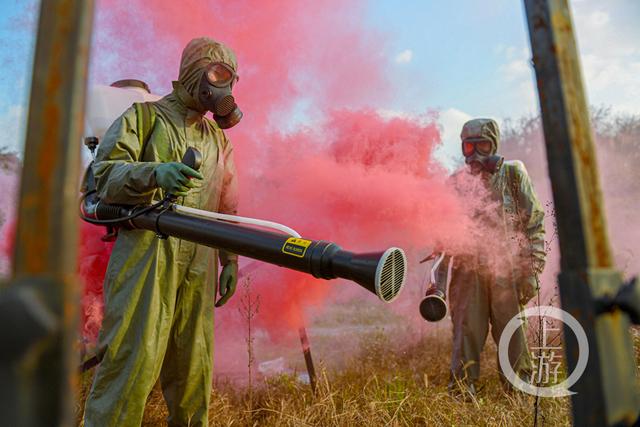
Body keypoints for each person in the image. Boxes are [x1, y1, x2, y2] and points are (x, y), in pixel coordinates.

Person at [84, 37, 241, 426]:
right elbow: (104, 176)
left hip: (200, 259)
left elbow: (227, 201)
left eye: (230, 78)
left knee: (193, 369)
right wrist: (156, 172)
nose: (223, 88)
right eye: (216, 74)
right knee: (131, 360)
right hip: (146, 255)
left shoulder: (218, 139)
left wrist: (230, 258)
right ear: (192, 72)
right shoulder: (142, 118)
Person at [433, 118, 546, 397]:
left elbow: (534, 224)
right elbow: (441, 240)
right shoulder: (455, 183)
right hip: (466, 270)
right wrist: (437, 285)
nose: (476, 154)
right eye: (469, 147)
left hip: (506, 269)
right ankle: (462, 393)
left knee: (512, 334)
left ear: (494, 144)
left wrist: (531, 271)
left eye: (482, 145)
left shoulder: (512, 173)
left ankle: (519, 393)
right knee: (466, 333)